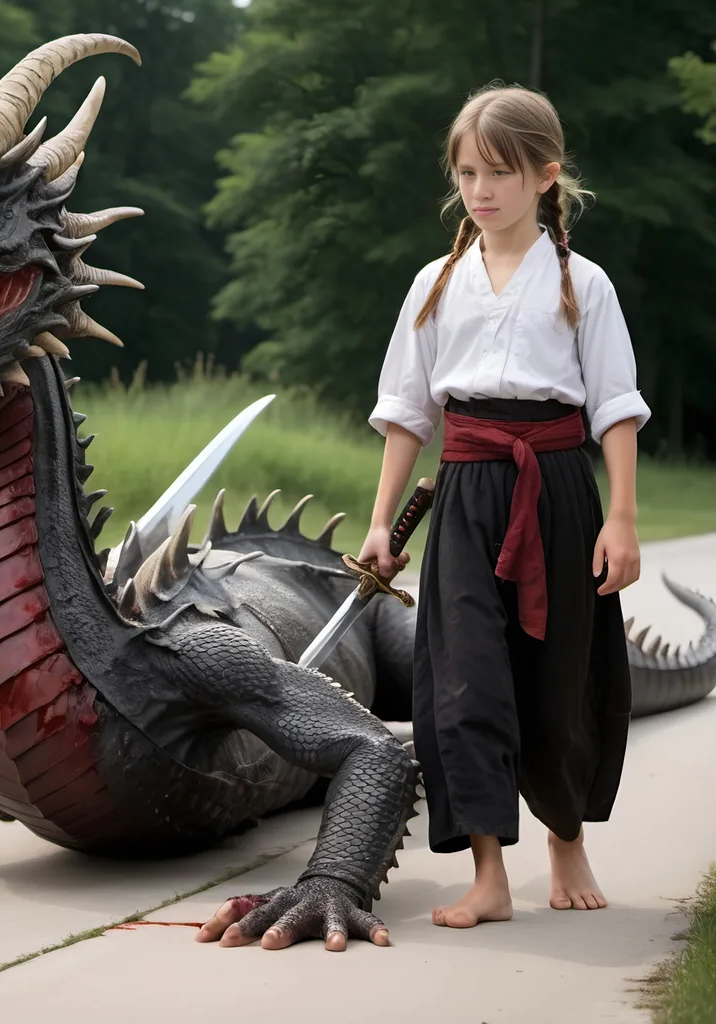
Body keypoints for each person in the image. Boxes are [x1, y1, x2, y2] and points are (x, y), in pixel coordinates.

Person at [360, 82, 650, 929]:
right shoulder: (436, 282)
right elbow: (407, 412)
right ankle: (488, 872)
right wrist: (380, 522)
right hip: (465, 493)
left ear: (545, 175)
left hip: (558, 491)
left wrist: (624, 519)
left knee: (558, 675)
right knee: (463, 682)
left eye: (500, 173)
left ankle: (565, 836)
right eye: (467, 174)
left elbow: (617, 407)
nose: (481, 191)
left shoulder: (581, 283)